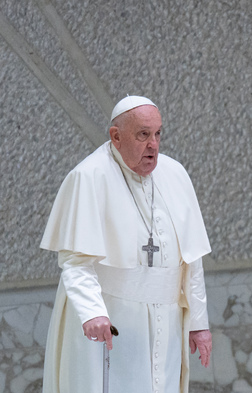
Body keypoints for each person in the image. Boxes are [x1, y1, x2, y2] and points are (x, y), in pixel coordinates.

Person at [41, 96, 213, 393]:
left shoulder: (175, 174)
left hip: (167, 322)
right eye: (143, 134)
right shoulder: (89, 176)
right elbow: (75, 261)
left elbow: (192, 259)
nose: (154, 145)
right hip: (114, 320)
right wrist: (93, 312)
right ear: (116, 136)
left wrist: (199, 323)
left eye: (158, 134)